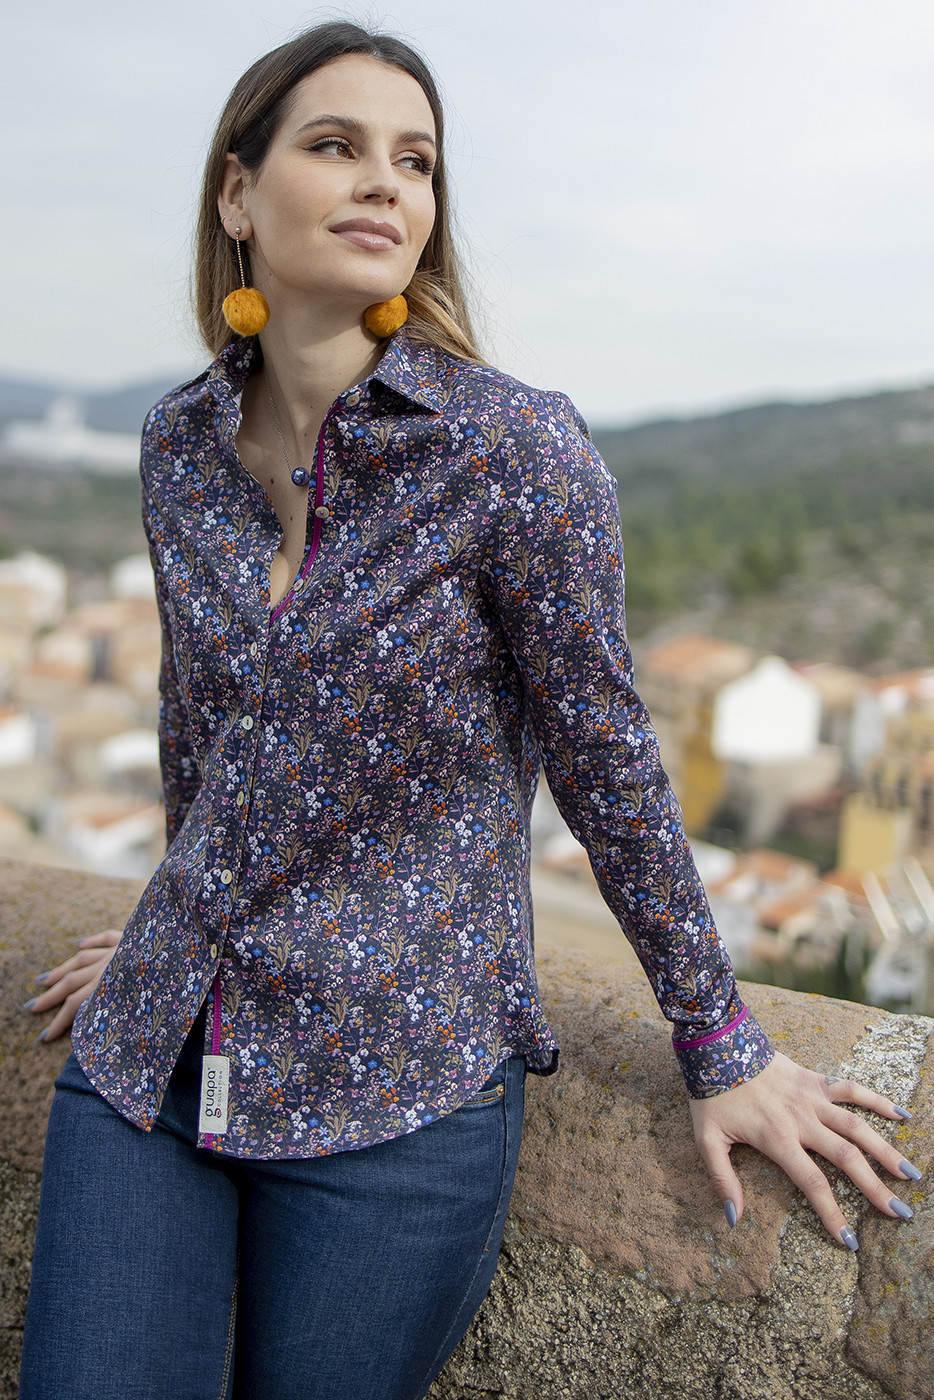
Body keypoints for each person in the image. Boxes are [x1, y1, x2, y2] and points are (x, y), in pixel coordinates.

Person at [20, 20, 922, 1400]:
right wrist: (169, 917)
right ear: (236, 194)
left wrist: (719, 1042)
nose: (388, 184)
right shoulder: (176, 445)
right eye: (336, 146)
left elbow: (604, 755)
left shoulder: (512, 452)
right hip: (160, 1049)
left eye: (417, 161)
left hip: (399, 1097)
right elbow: (199, 727)